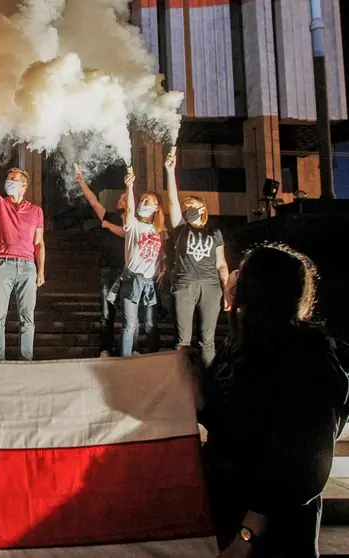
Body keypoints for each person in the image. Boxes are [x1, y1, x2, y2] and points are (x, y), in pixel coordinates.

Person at [199, 245, 349, 557]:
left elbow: (302, 462)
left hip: (274, 530)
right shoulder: (239, 345)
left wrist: (248, 534)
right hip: (229, 506)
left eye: (244, 271)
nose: (233, 277)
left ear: (259, 289)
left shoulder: (303, 357)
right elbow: (221, 416)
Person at [0, 129, 45, 361]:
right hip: (3, 264)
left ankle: (26, 360)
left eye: (14, 179)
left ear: (24, 185)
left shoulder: (36, 211)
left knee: (27, 317)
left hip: (27, 266)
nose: (9, 182)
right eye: (8, 179)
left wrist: (41, 270)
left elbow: (39, 242)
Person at [164, 153, 230, 367]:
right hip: (185, 284)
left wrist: (227, 289)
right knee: (182, 342)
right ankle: (182, 386)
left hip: (211, 286)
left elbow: (221, 263)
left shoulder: (215, 232)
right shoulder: (181, 228)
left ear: (202, 209)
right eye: (185, 208)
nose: (186, 209)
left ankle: (208, 383)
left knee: (207, 341)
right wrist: (170, 171)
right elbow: (172, 200)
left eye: (191, 206)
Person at [113, 170, 165, 357]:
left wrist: (163, 269)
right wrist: (130, 187)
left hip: (150, 281)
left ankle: (152, 356)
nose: (143, 203)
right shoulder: (133, 224)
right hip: (132, 280)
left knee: (151, 323)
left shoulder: (159, 230)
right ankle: (125, 359)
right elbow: (129, 211)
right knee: (130, 323)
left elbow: (163, 254)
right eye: (142, 200)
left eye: (147, 201)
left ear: (157, 207)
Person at [76, 167, 126, 357]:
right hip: (108, 269)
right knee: (106, 313)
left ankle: (128, 347)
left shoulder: (136, 222)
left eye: (123, 199)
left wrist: (108, 226)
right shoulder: (110, 216)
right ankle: (106, 347)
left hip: (127, 270)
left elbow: (126, 232)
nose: (119, 200)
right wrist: (82, 183)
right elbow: (93, 201)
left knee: (129, 314)